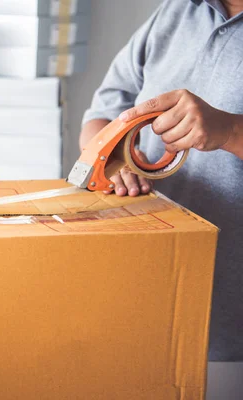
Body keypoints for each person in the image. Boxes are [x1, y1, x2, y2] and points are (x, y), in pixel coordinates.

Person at [80, 0, 243, 361]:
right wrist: (116, 161)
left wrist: (231, 130)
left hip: (232, 322)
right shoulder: (178, 11)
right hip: (148, 295)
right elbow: (103, 114)